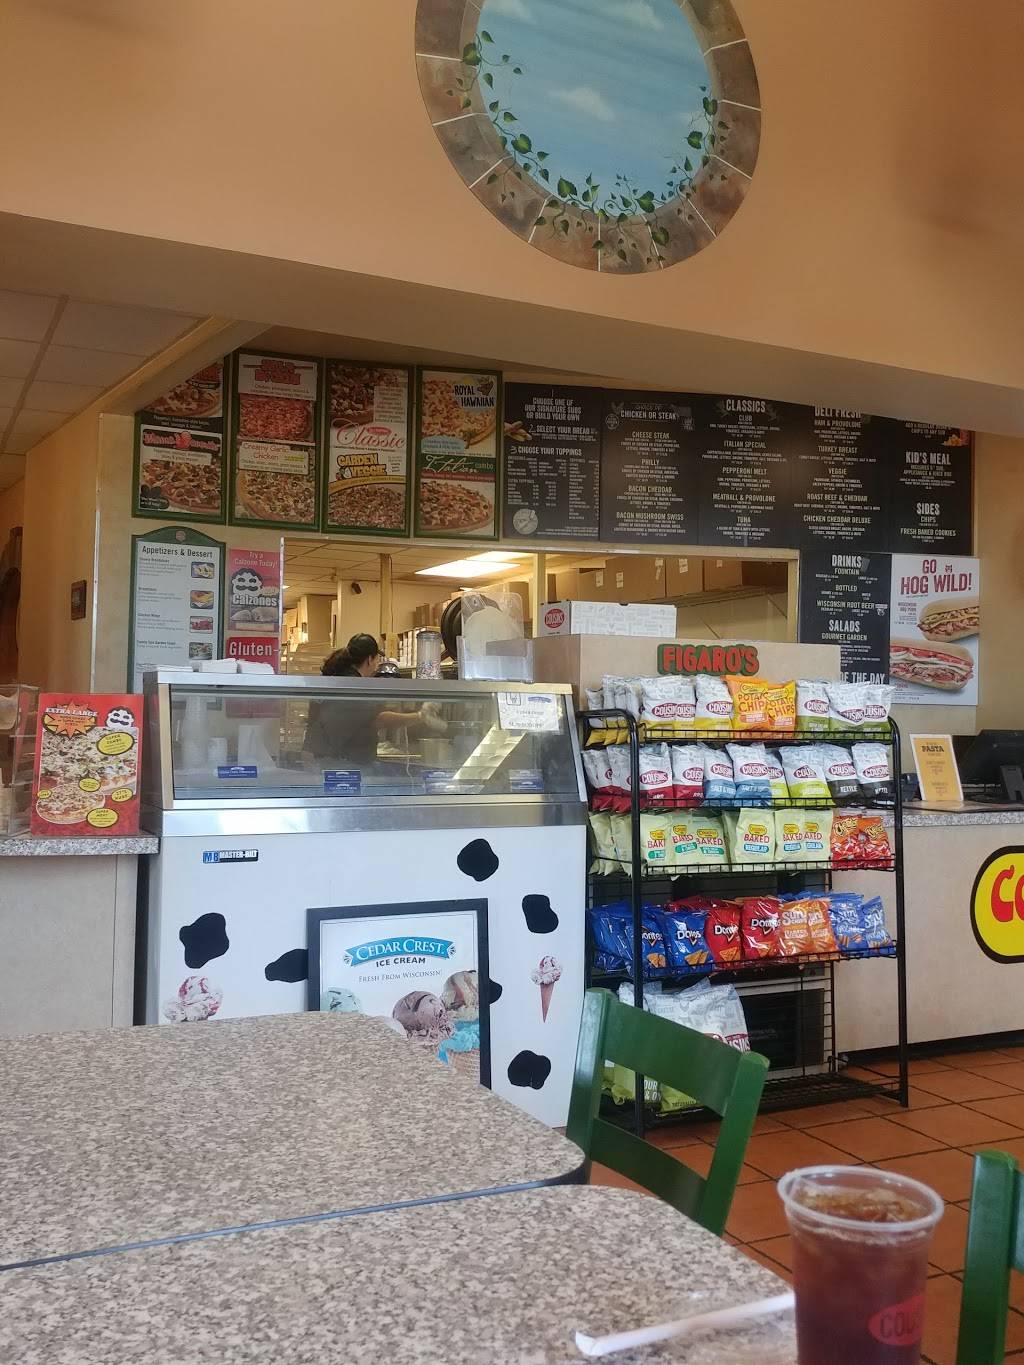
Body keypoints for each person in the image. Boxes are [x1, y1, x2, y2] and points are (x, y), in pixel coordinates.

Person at [303, 633, 445, 767]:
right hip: (345, 764)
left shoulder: (336, 679)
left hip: (323, 758)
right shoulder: (356, 686)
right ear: (370, 659)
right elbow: (380, 719)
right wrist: (421, 716)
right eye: (377, 658)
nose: (377, 664)